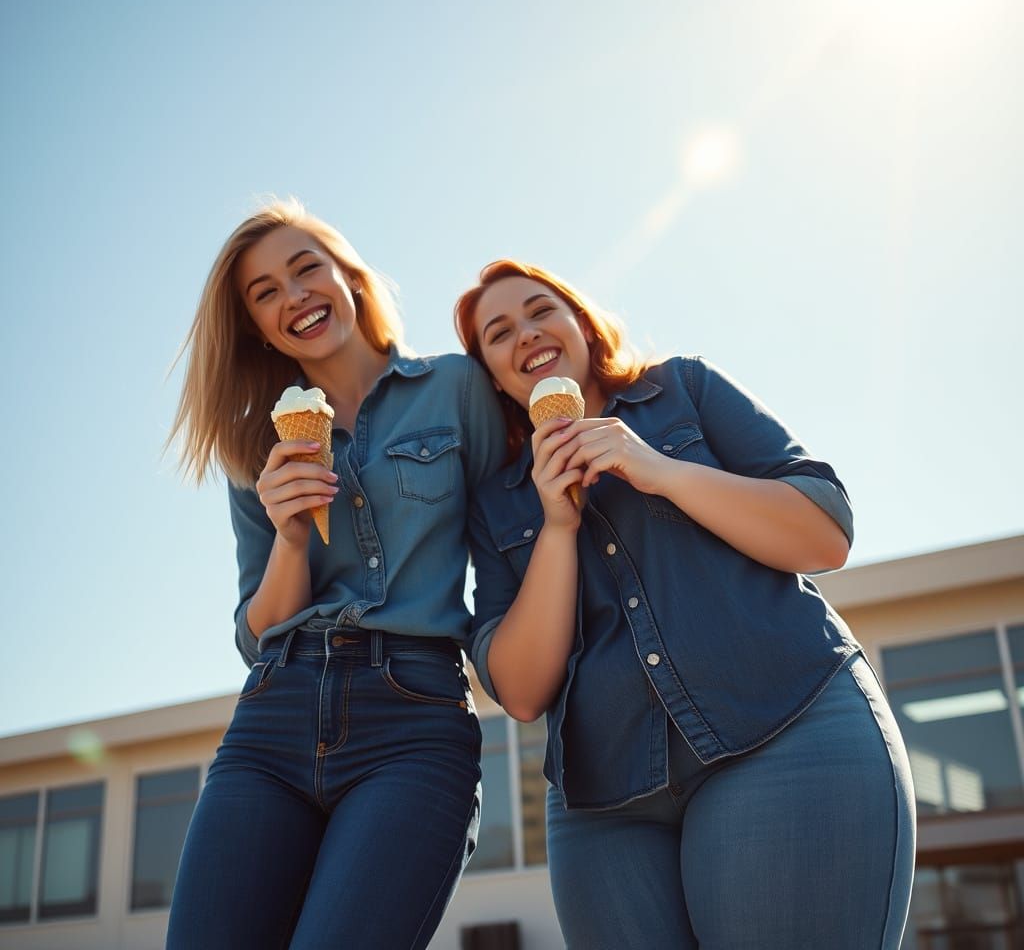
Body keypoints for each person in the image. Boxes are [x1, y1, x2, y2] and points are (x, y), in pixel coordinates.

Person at [454, 259, 916, 950]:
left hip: (786, 733)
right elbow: (519, 692)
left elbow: (824, 532)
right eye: (498, 332)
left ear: (580, 323)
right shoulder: (496, 501)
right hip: (602, 809)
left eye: (541, 310)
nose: (525, 332)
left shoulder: (681, 391)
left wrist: (659, 470)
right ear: (492, 375)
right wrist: (556, 526)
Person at [165, 199, 504, 950]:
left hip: (413, 717)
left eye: (305, 268)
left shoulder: (456, 389)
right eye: (264, 293)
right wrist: (289, 537)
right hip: (273, 717)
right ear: (256, 326)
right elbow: (254, 635)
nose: (294, 296)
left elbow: (511, 548)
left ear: (348, 275)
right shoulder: (255, 442)